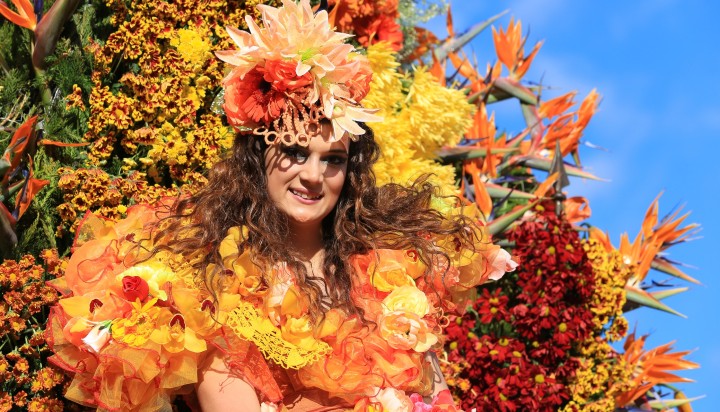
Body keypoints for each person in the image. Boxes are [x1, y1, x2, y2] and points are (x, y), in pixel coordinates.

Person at [46, 1, 516, 411]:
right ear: (257, 158)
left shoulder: (388, 271)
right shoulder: (207, 282)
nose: (313, 175)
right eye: (294, 153)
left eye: (332, 160)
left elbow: (431, 398)